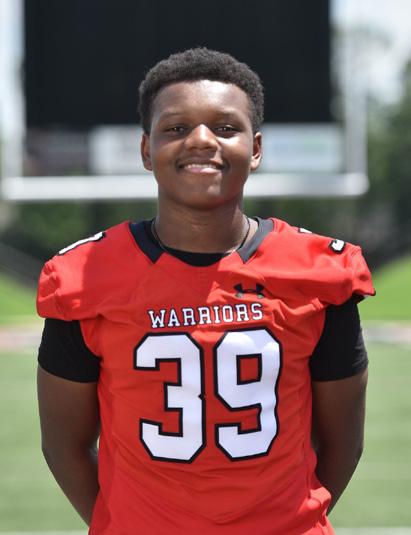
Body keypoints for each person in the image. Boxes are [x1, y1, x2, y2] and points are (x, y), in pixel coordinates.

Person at [36, 48, 375, 535]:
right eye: (176, 128)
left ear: (255, 149)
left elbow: (343, 443)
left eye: (225, 127)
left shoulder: (318, 274)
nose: (200, 140)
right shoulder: (85, 277)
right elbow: (64, 445)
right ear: (146, 150)